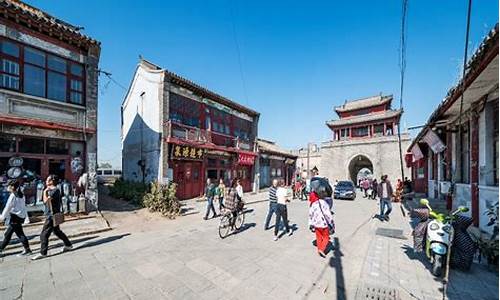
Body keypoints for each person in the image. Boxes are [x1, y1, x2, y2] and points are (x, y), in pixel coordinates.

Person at [32, 175, 72, 260]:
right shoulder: (52, 190)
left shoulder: (55, 191)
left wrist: (45, 191)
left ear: (51, 181)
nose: (46, 181)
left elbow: (46, 200)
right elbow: (43, 201)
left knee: (44, 234)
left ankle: (43, 253)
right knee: (57, 231)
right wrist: (46, 191)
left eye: (47, 180)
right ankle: (68, 245)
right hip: (52, 214)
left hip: (51, 215)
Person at [0, 180, 31, 257]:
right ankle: (27, 249)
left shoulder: (13, 196)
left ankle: (27, 250)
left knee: (18, 234)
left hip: (15, 218)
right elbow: (23, 207)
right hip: (19, 217)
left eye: (9, 186)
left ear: (13, 187)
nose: (8, 187)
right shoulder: (21, 195)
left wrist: (2, 218)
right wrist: (25, 217)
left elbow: (7, 207)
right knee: (9, 234)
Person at [308, 183, 334, 258]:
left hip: (316, 224)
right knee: (326, 237)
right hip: (323, 224)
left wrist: (310, 223)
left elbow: (310, 214)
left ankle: (319, 249)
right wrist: (331, 222)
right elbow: (328, 215)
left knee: (318, 237)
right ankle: (322, 249)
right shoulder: (325, 204)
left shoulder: (314, 204)